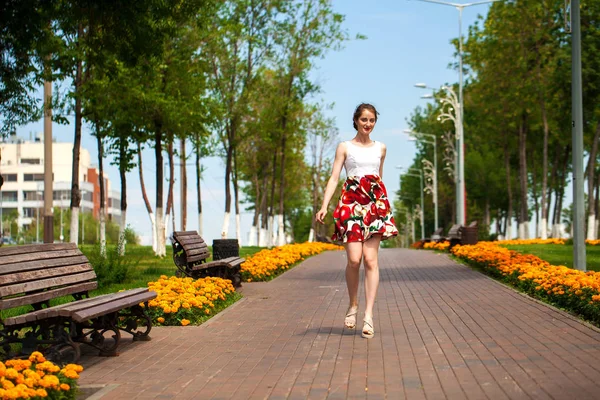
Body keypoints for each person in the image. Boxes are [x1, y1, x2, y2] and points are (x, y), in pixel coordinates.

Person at [316, 103, 398, 339]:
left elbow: (379, 177)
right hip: (350, 204)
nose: (368, 124)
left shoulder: (381, 148)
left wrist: (381, 206)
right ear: (356, 121)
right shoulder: (345, 147)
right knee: (354, 259)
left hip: (374, 205)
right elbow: (334, 178)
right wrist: (324, 205)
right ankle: (353, 305)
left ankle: (368, 315)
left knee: (371, 260)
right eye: (364, 119)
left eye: (372, 120)